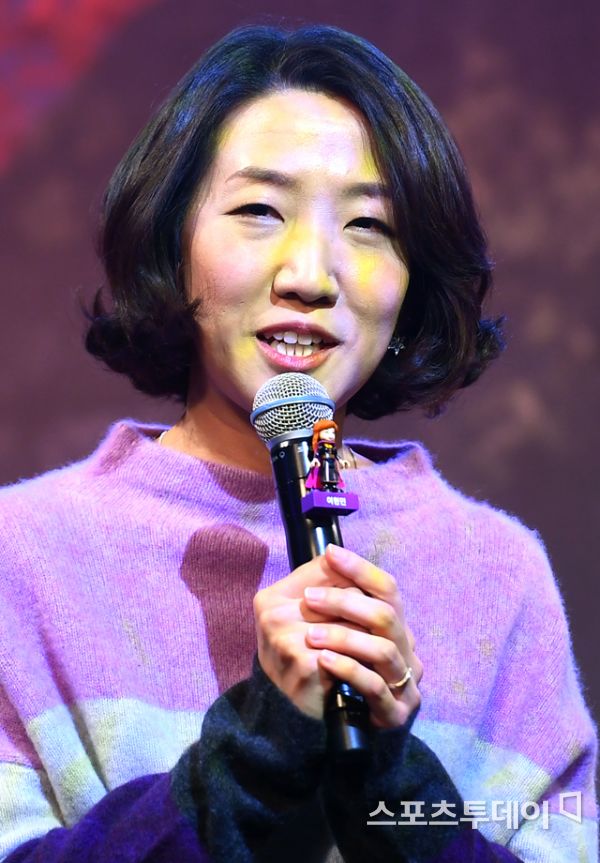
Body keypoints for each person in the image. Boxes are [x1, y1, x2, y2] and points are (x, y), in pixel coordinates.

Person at [0, 22, 596, 863]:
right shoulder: (22, 556)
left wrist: (395, 790)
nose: (311, 275)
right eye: (259, 211)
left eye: (369, 225)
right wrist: (252, 754)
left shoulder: (498, 573)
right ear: (172, 237)